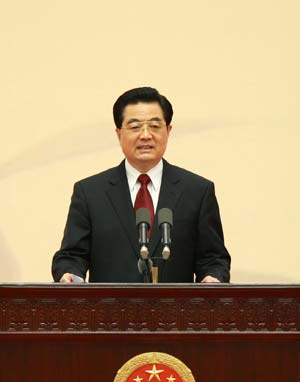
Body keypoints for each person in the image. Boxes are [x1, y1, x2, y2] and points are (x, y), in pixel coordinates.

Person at [52, 87, 230, 283]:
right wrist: (69, 274)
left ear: (168, 131)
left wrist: (213, 278)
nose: (145, 135)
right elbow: (71, 256)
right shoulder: (90, 192)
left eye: (154, 126)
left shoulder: (197, 191)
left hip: (174, 311)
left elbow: (213, 258)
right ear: (119, 134)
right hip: (110, 311)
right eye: (135, 127)